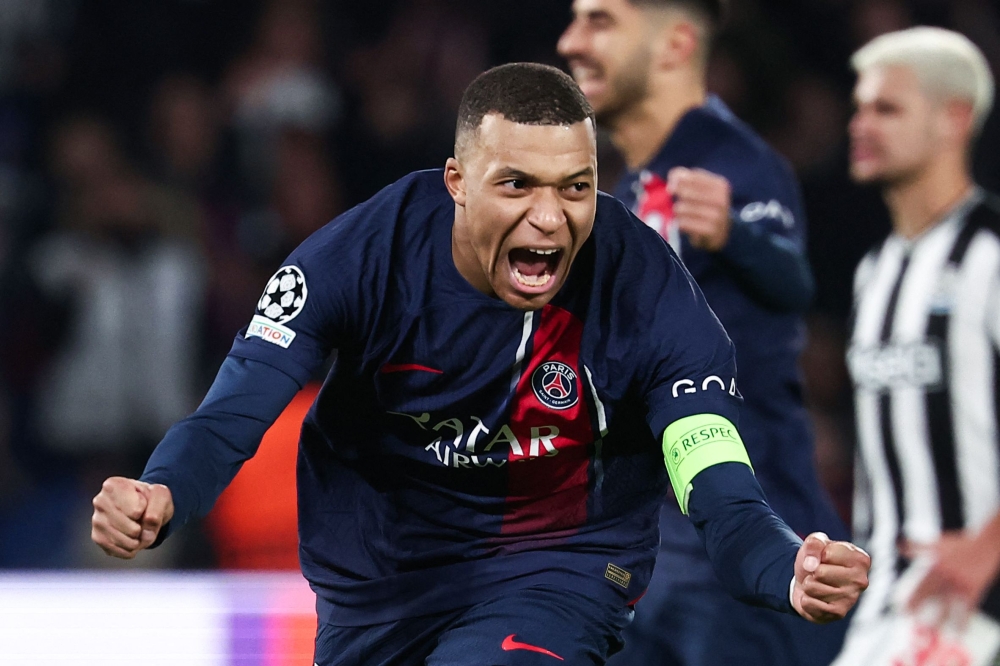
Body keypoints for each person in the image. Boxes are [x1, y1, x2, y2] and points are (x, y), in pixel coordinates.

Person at [90, 63, 869, 666]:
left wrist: (784, 567)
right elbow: (234, 411)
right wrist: (161, 489)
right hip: (378, 584)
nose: (549, 216)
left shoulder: (648, 293)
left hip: (560, 566)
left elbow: (717, 486)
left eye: (576, 188)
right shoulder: (358, 259)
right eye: (517, 185)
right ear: (456, 183)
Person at [557, 2, 851, 664]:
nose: (570, 41)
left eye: (599, 21)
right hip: (651, 543)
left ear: (675, 44)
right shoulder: (628, 190)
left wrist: (735, 234)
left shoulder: (737, 164)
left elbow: (793, 284)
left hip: (748, 540)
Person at [834, 27, 1000, 665]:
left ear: (953, 120)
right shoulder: (874, 270)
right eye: (859, 106)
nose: (860, 123)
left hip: (977, 608)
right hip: (890, 611)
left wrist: (988, 549)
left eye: (887, 108)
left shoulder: (988, 252)